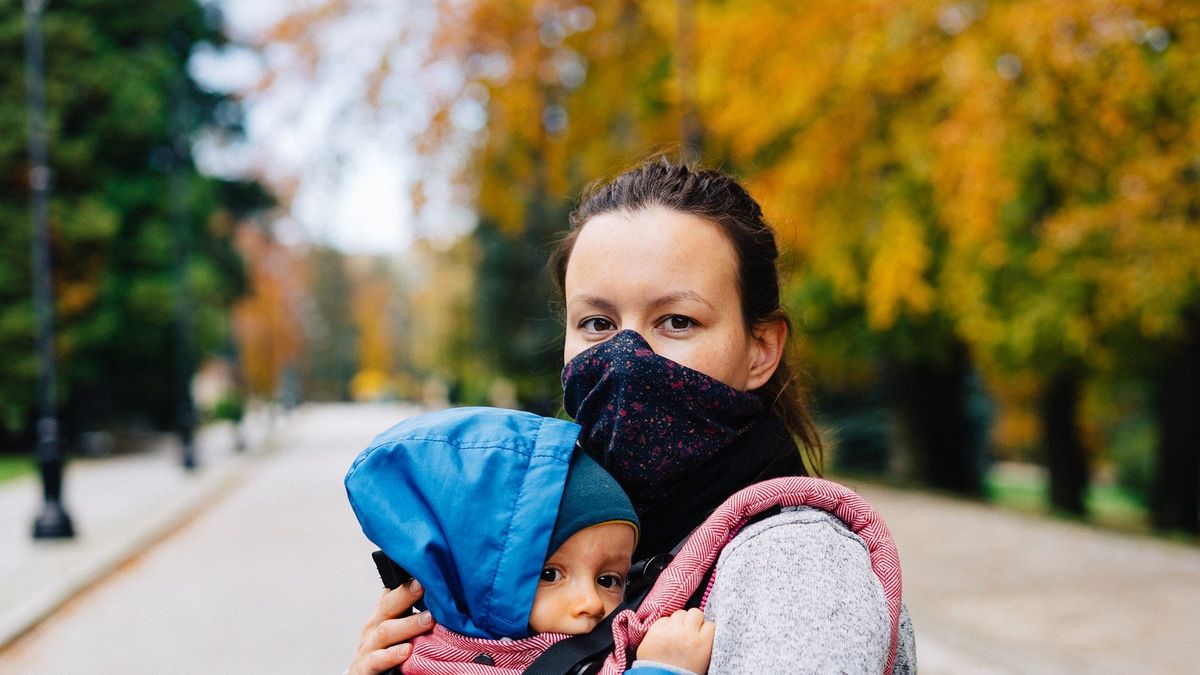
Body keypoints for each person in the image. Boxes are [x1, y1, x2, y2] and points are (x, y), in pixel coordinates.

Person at [349, 158, 916, 674]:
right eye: (597, 324)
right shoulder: (556, 541)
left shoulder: (796, 567)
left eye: (677, 321)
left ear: (760, 349)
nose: (626, 358)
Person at [345, 406, 715, 674]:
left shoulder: (610, 642)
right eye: (550, 574)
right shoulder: (430, 664)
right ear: (472, 579)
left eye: (608, 580)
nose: (590, 603)